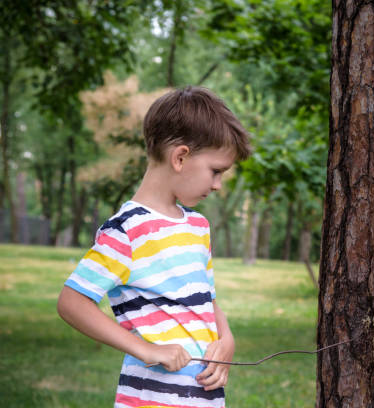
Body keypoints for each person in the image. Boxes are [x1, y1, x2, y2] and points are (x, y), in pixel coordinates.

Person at [57, 86, 251, 408]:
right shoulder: (127, 231)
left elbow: (207, 299)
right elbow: (72, 302)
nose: (217, 185)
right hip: (149, 400)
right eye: (215, 171)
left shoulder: (198, 228)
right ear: (180, 157)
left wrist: (226, 337)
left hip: (205, 399)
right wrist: (146, 349)